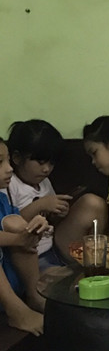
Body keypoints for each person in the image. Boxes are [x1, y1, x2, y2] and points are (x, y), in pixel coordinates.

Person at [6, 119, 76, 270]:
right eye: (41, 162)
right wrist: (41, 204)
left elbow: (50, 218)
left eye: (51, 163)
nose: (46, 169)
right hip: (27, 257)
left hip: (50, 249)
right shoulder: (10, 184)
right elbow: (9, 223)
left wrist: (58, 212)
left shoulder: (44, 182)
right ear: (17, 158)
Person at [0, 136, 50, 335]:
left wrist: (35, 227)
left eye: (8, 161)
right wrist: (18, 239)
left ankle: (34, 295)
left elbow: (17, 225)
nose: (9, 169)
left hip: (10, 278)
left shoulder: (2, 199)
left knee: (17, 224)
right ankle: (16, 311)